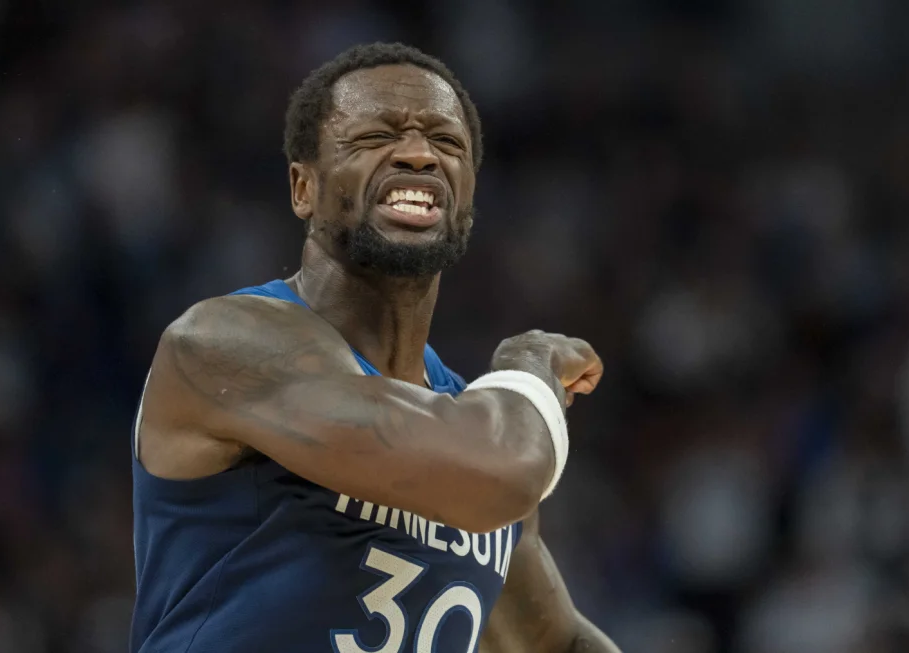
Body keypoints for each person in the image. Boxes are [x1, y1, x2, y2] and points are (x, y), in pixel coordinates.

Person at [130, 42, 620, 653]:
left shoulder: (473, 424)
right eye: (374, 137)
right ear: (303, 187)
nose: (419, 154)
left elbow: (554, 641)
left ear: (468, 197)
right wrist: (530, 366)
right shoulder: (223, 343)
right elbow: (507, 470)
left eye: (446, 142)